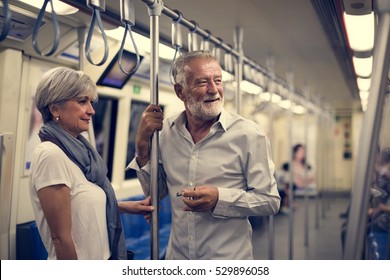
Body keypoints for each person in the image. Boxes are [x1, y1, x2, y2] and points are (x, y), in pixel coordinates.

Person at [127, 50, 280, 260]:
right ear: (180, 92)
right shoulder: (165, 132)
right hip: (178, 258)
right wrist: (142, 145)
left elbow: (270, 201)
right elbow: (158, 191)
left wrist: (220, 199)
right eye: (202, 82)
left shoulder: (248, 134)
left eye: (217, 81)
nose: (214, 90)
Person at [29, 67, 154, 260]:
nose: (91, 110)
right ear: (55, 108)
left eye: (91, 102)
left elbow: (80, 206)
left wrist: (126, 206)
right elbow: (60, 238)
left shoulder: (81, 153)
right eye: (82, 102)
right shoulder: (51, 155)